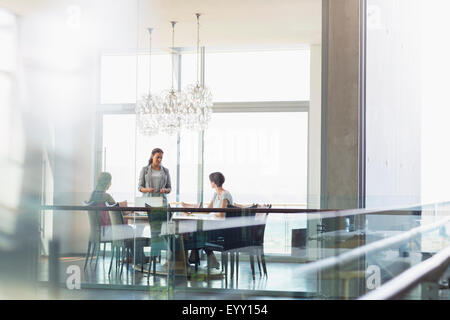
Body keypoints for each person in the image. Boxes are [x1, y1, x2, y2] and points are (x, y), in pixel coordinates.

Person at [182, 172, 234, 269]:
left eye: (211, 181)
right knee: (197, 232)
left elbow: (221, 214)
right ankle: (205, 258)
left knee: (199, 234)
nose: (210, 183)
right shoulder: (216, 194)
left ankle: (195, 255)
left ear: (213, 182)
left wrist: (211, 215)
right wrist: (192, 213)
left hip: (224, 229)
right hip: (216, 226)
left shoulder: (225, 194)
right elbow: (207, 211)